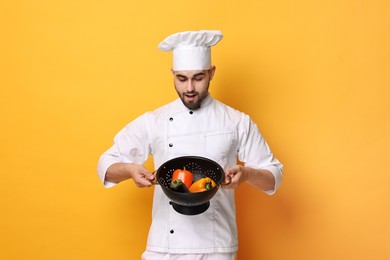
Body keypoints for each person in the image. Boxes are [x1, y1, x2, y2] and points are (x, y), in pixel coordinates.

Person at [97, 30, 283, 260]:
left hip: (217, 248)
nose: (190, 88)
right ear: (173, 74)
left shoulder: (236, 121)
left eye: (198, 77)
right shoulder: (154, 120)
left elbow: (274, 175)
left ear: (212, 73)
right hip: (164, 247)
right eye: (182, 79)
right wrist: (130, 170)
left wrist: (246, 174)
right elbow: (106, 165)